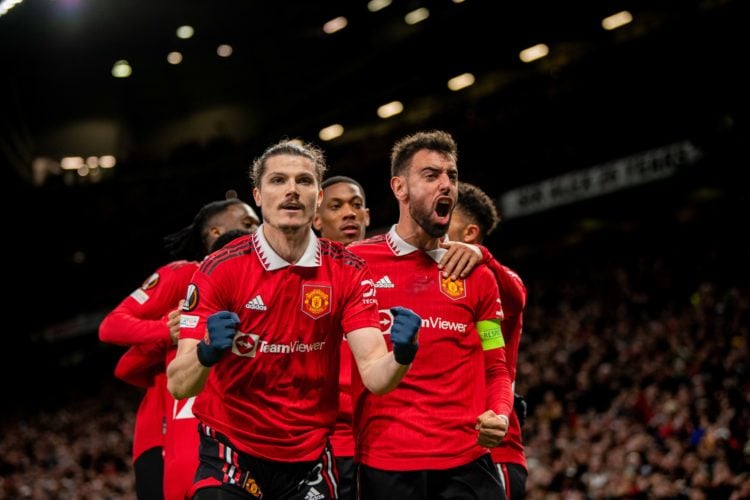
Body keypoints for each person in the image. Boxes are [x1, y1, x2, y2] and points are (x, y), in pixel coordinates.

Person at [166, 139, 421, 500]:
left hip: (310, 456)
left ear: (317, 197)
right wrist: (207, 351)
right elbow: (178, 384)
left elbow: (376, 376)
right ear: (258, 195)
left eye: (304, 181)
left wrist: (402, 354)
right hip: (232, 449)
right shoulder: (219, 269)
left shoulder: (348, 271)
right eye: (278, 181)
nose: (291, 191)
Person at [347, 130, 514, 500]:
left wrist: (500, 414)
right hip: (387, 464)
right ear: (399, 188)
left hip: (468, 462)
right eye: (431, 175)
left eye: (451, 176)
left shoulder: (478, 275)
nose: (446, 185)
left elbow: (496, 365)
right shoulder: (356, 264)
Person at [99, 199, 260, 500]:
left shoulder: (257, 286)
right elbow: (110, 327)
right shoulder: (183, 274)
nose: (259, 229)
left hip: (209, 425)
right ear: (216, 231)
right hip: (163, 432)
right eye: (249, 223)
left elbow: (128, 366)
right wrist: (168, 330)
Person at [448, 181, 529, 500]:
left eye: (446, 214)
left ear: (469, 233)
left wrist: (483, 257)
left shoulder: (495, 278)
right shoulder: (432, 287)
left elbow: (517, 296)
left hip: (494, 453)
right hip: (441, 453)